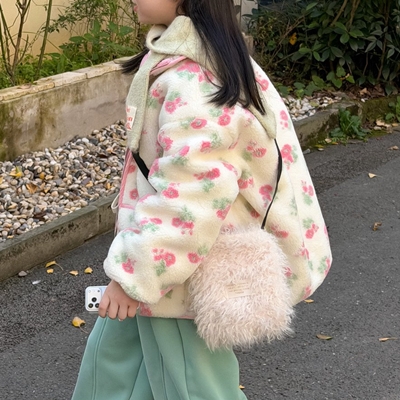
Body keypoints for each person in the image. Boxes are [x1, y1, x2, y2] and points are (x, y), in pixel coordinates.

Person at [72, 0, 331, 399]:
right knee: (115, 365)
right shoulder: (198, 57)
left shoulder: (195, 83)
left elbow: (188, 204)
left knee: (190, 386)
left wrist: (133, 276)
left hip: (178, 272)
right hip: (165, 264)